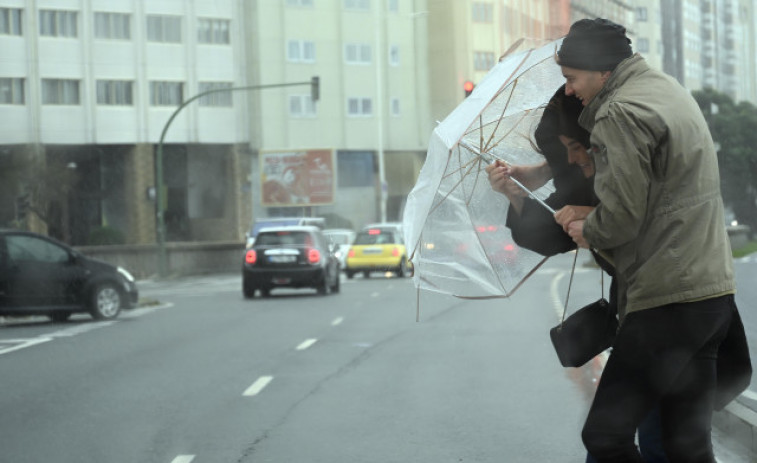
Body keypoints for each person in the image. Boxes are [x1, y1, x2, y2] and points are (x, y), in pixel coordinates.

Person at [554, 18, 749, 462]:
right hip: (709, 296)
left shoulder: (619, 112)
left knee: (606, 436)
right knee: (687, 444)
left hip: (668, 301)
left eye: (571, 78)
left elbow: (620, 218)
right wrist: (598, 214)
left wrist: (591, 229)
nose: (569, 90)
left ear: (601, 70)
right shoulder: (666, 89)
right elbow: (659, 196)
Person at [486, 85, 669, 463]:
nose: (570, 159)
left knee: (637, 439)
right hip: (642, 315)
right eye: (563, 150)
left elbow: (645, 219)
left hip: (670, 311)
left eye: (574, 147)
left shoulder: (634, 157)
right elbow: (551, 233)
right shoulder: (587, 172)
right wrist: (517, 194)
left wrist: (594, 220)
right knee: (629, 439)